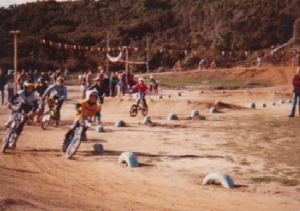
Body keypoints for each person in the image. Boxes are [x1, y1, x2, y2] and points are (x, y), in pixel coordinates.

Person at [6, 80, 38, 147]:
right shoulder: (21, 92)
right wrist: (10, 103)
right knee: (15, 112)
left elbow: (35, 105)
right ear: (25, 87)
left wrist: (32, 112)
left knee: (23, 121)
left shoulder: (34, 96)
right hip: (22, 105)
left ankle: (14, 141)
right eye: (28, 87)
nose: (30, 88)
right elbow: (13, 97)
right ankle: (9, 121)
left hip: (29, 107)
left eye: (31, 87)